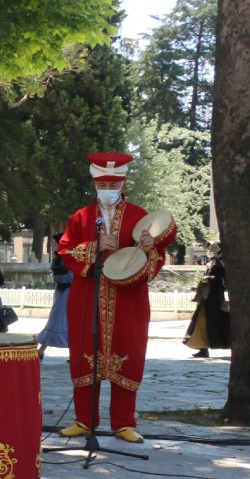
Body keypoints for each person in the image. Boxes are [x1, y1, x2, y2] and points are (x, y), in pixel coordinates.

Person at [57, 152, 176, 443]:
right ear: (95, 183)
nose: (107, 189)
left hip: (128, 299)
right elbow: (65, 250)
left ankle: (123, 423)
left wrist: (149, 248)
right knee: (86, 355)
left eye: (113, 184)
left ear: (123, 183)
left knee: (128, 353)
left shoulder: (139, 216)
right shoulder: (81, 217)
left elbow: (156, 254)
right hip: (88, 297)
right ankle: (84, 420)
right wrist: (93, 247)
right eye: (102, 184)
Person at [184, 244, 230, 358]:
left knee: (219, 325)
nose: (210, 251)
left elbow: (223, 282)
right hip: (206, 300)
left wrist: (210, 279)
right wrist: (199, 286)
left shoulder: (220, 265)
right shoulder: (211, 264)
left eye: (212, 250)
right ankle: (202, 348)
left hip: (215, 300)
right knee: (201, 324)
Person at [37, 231, 72, 359]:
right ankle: (41, 350)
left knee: (71, 322)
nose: (57, 246)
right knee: (55, 320)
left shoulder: (73, 256)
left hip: (71, 292)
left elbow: (73, 275)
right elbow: (56, 273)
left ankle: (73, 353)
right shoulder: (58, 258)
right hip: (61, 293)